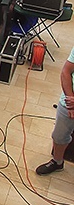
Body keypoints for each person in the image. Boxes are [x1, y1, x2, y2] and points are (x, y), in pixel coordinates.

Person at [35, 46, 74, 175]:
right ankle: (57, 162)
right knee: (59, 136)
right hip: (69, 103)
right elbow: (66, 72)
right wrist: (71, 101)